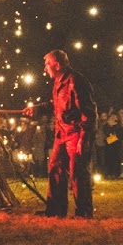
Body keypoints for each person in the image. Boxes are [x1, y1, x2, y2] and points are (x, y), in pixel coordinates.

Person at [27, 49, 96, 218]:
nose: (45, 69)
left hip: (76, 134)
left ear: (57, 65)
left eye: (47, 65)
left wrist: (83, 139)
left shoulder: (76, 81)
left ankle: (84, 213)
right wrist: (37, 109)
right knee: (55, 169)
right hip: (62, 134)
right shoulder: (58, 82)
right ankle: (55, 211)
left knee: (78, 172)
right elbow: (56, 104)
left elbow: (88, 111)